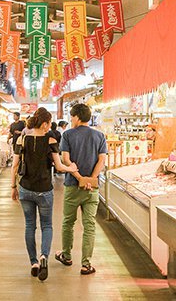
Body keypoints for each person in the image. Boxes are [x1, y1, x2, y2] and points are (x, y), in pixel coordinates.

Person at [11, 108, 77, 281]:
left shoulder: (22, 139)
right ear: (46, 123)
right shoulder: (51, 139)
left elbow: (14, 166)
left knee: (29, 226)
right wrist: (72, 168)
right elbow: (60, 166)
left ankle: (33, 262)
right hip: (44, 190)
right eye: (48, 124)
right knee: (46, 225)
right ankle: (44, 257)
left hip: (25, 188)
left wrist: (13, 187)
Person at [56, 103, 107, 275]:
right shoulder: (99, 136)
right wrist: (90, 180)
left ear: (77, 117)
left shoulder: (68, 135)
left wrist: (79, 178)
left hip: (72, 186)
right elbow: (101, 161)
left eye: (71, 116)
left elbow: (66, 160)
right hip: (92, 189)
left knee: (68, 222)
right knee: (89, 226)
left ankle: (67, 256)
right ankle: (86, 264)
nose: (71, 120)